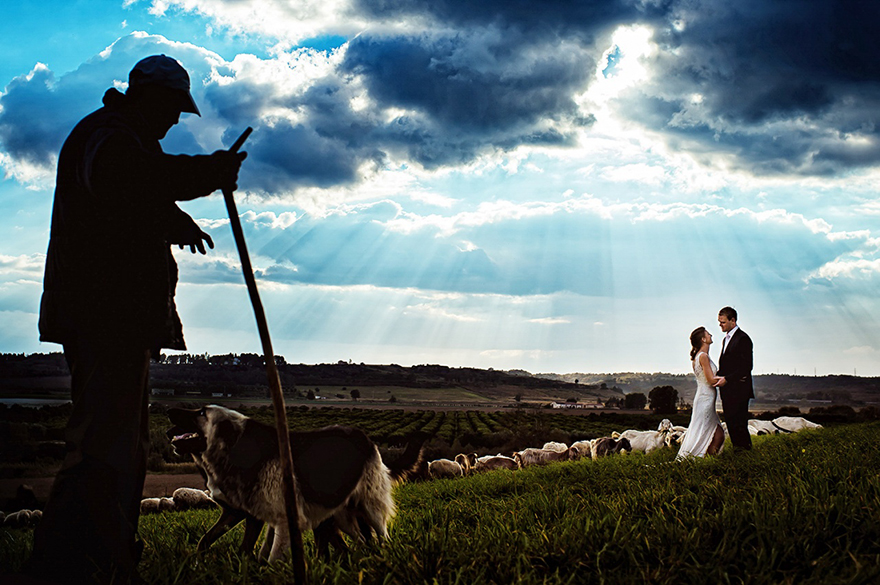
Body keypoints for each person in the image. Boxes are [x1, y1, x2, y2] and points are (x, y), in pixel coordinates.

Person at [28, 55, 246, 584]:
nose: (175, 121)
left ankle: (102, 557)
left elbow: (132, 201)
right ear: (148, 97)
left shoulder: (118, 138)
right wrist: (208, 170)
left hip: (113, 318)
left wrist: (176, 219)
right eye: (173, 109)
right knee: (103, 443)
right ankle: (79, 563)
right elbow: (129, 181)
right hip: (106, 317)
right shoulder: (109, 136)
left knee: (117, 444)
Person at [676, 327, 726, 459]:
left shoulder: (700, 356)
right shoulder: (703, 356)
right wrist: (727, 379)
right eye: (708, 334)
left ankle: (706, 459)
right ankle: (703, 459)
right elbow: (710, 380)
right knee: (713, 433)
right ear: (703, 339)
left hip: (705, 398)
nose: (711, 335)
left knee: (715, 433)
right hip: (705, 399)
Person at [714, 306, 754, 451]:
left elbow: (746, 367)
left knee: (739, 423)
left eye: (723, 322)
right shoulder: (726, 340)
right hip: (728, 390)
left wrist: (727, 379)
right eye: (719, 322)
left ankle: (745, 451)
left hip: (739, 389)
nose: (720, 325)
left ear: (733, 320)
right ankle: (739, 450)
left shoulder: (743, 339)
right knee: (731, 422)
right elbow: (727, 366)